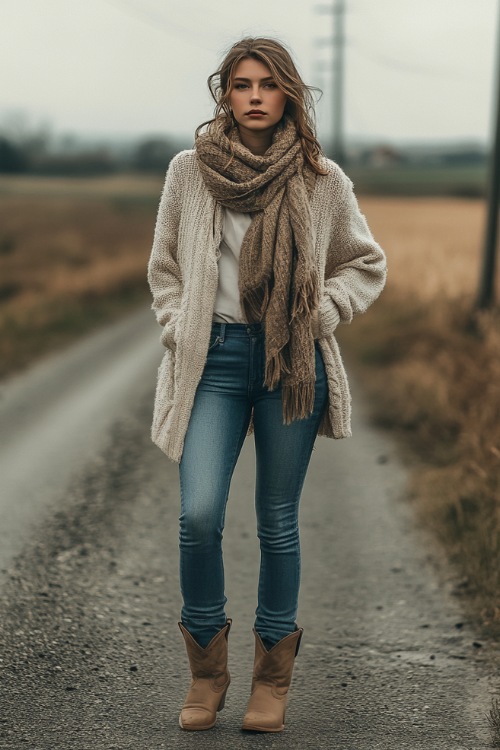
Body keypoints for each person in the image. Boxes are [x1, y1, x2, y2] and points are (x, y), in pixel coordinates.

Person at [147, 36, 386, 733]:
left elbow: (364, 264)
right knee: (198, 517)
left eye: (269, 84)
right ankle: (206, 673)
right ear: (226, 92)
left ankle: (271, 684)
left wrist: (321, 313)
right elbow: (165, 267)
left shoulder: (321, 178)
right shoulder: (189, 172)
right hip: (214, 360)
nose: (255, 96)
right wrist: (177, 324)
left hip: (291, 364)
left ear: (288, 95)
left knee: (278, 522)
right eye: (242, 84)